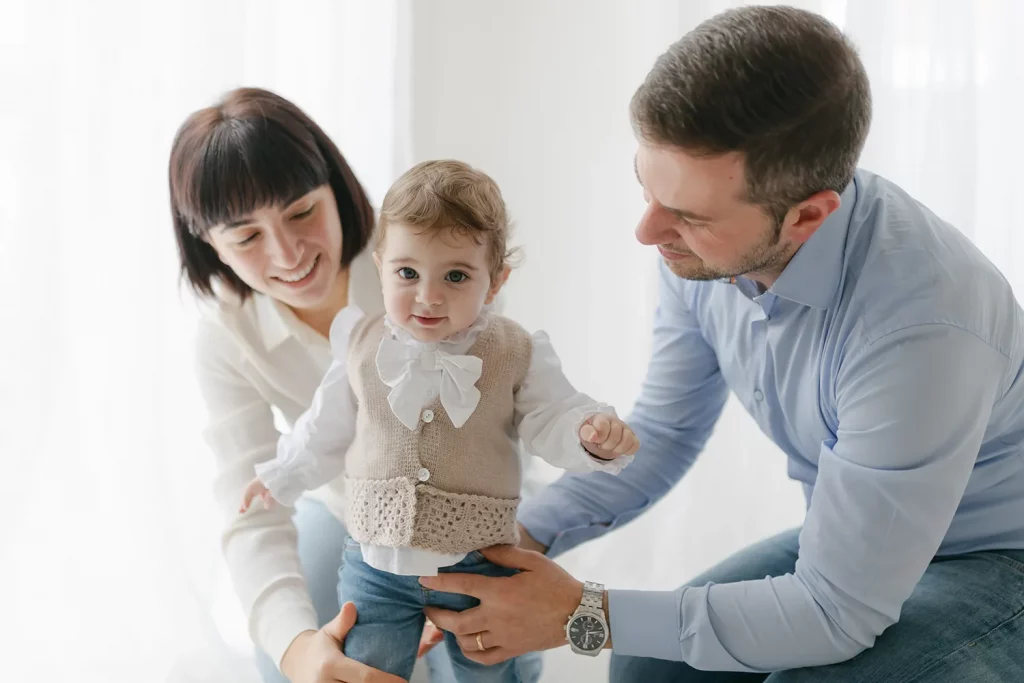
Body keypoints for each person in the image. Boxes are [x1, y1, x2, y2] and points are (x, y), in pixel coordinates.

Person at [419, 6, 1024, 682]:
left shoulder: (921, 329)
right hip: (867, 537)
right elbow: (665, 432)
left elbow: (835, 613)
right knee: (645, 667)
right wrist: (513, 535)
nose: (647, 232)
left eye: (687, 214)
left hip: (1001, 558)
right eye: (646, 186)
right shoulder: (704, 251)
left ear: (806, 216)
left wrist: (577, 612)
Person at [169, 88, 543, 683]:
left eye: (301, 213)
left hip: (473, 517)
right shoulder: (226, 336)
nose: (288, 253)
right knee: (286, 655)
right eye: (246, 238)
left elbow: (516, 415)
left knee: (482, 655)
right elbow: (252, 514)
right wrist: (297, 650)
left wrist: (507, 554)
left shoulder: (421, 256)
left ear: (336, 188)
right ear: (208, 245)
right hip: (354, 514)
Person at [238, 159, 639, 681]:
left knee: (490, 669)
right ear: (381, 267)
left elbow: (551, 414)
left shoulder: (515, 351)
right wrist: (282, 474)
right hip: (375, 564)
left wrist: (586, 434)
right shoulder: (360, 344)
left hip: (479, 561)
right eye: (407, 274)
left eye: (456, 276)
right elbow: (322, 429)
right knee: (366, 668)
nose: (428, 296)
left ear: (495, 281)